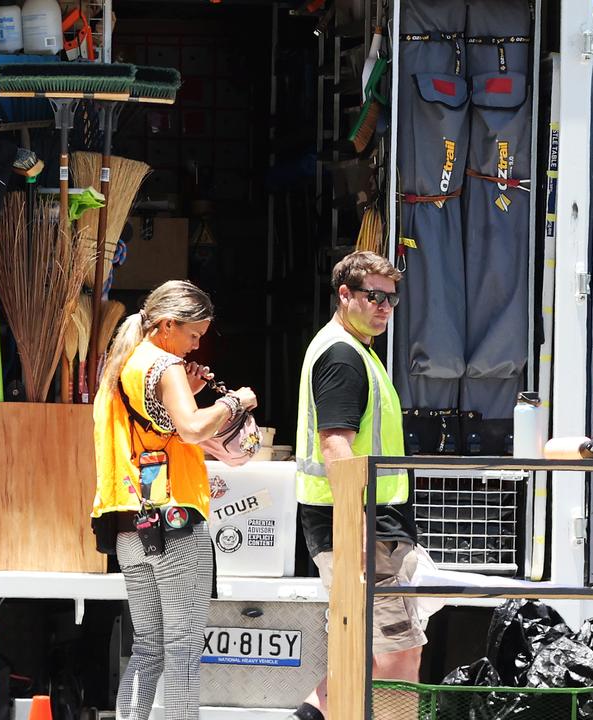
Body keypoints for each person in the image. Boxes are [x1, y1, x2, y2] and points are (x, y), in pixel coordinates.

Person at [90, 280, 257, 720]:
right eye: (193, 334)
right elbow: (193, 430)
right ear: (167, 325)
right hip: (176, 524)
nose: (197, 345)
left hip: (130, 526)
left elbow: (155, 430)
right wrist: (236, 403)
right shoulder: (164, 365)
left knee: (147, 648)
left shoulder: (123, 363)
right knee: (183, 652)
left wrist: (191, 394)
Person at [291, 251, 423, 720]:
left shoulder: (355, 350)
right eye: (374, 296)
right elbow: (335, 449)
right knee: (398, 654)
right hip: (361, 526)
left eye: (391, 298)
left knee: (362, 652)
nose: (385, 306)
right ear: (344, 295)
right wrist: (359, 528)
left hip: (362, 525)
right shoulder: (345, 356)